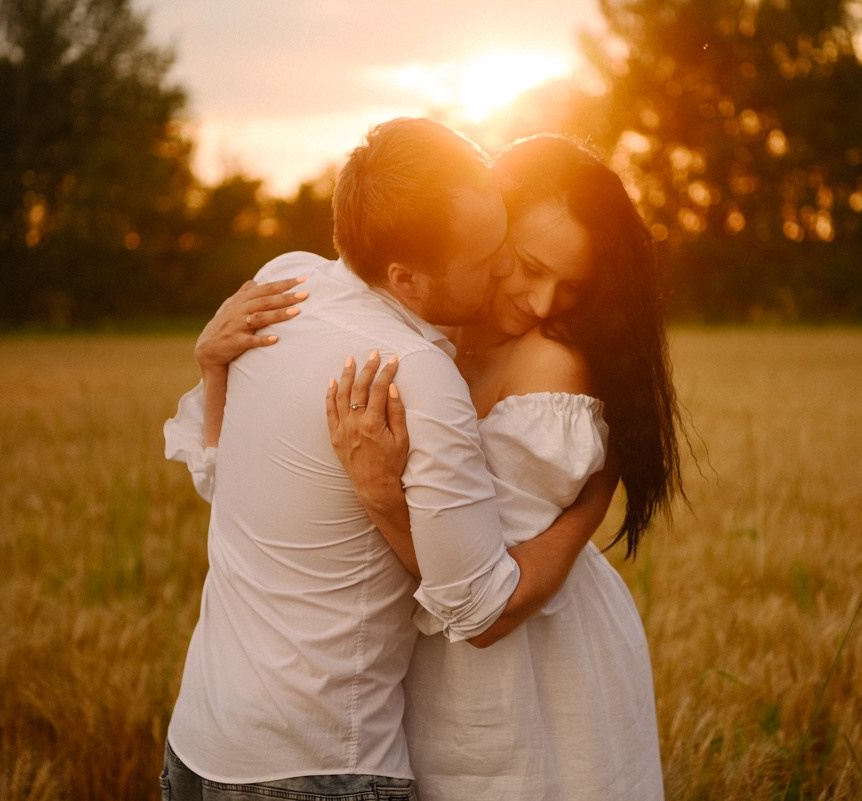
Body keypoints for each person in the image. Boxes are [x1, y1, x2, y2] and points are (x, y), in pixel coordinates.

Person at [188, 133, 683, 800]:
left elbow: (485, 594)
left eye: (571, 286)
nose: (541, 302)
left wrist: (386, 496)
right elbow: (250, 485)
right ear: (483, 226)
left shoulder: (548, 364)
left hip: (523, 664)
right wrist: (213, 366)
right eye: (527, 265)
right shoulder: (420, 326)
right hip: (408, 667)